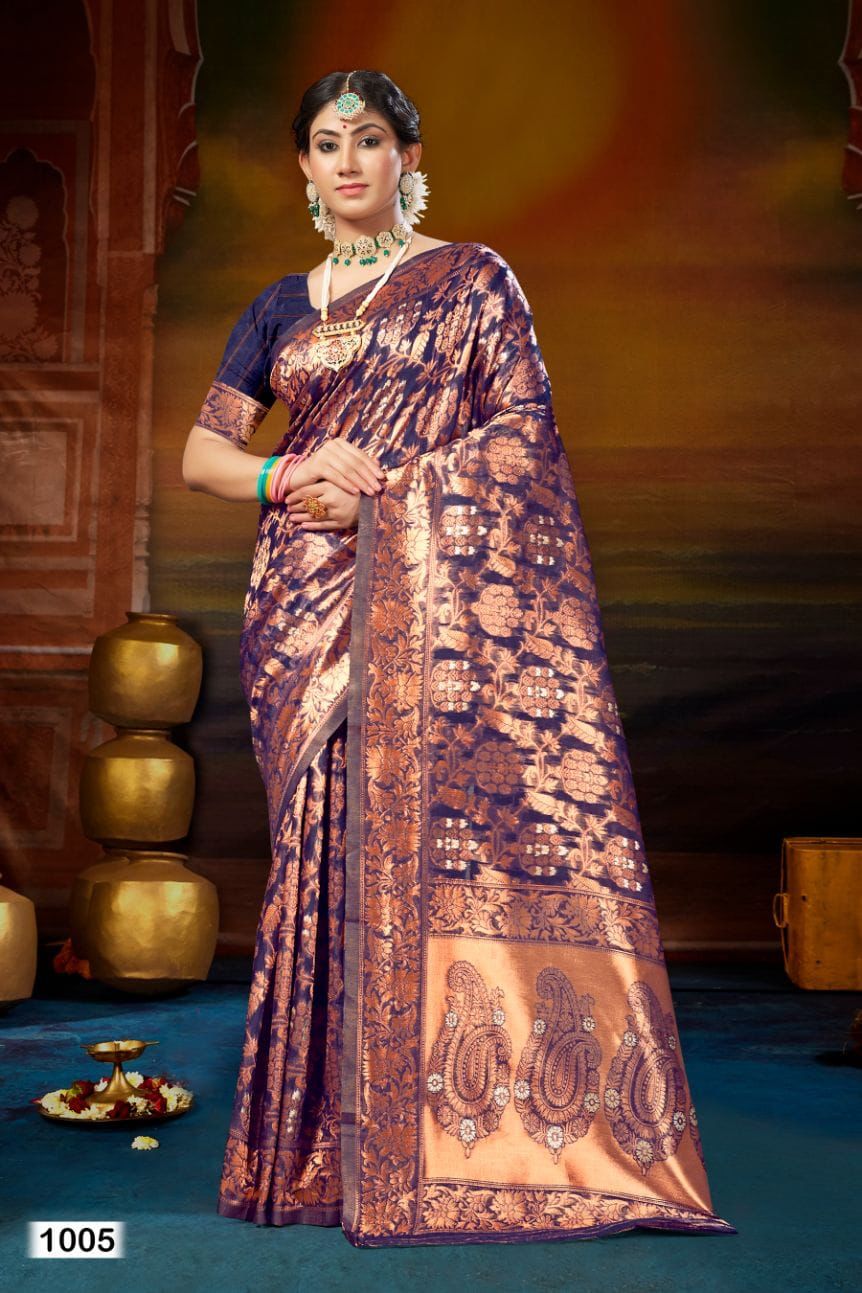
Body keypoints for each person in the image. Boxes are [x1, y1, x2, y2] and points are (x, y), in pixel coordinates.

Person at [182, 69, 736, 1248]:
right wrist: (288, 472)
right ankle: (314, 1150)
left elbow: (523, 436)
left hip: (425, 602)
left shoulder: (473, 281)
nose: (346, 162)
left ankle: (442, 1141)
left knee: (408, 838)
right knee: (317, 849)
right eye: (325, 143)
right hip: (301, 609)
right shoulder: (278, 307)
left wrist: (389, 496)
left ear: (408, 156)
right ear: (303, 166)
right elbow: (204, 456)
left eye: (368, 140)